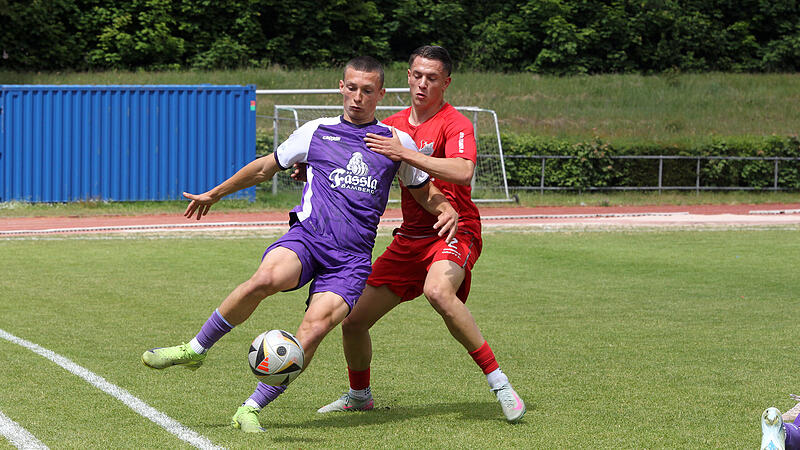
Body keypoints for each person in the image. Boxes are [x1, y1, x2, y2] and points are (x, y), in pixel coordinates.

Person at [140, 55, 459, 433]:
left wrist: (445, 209)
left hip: (351, 261)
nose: (358, 97)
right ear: (341, 87)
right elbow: (264, 167)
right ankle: (194, 349)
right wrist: (216, 193)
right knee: (265, 279)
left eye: (367, 90)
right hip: (308, 238)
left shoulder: (397, 142)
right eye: (352, 87)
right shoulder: (316, 131)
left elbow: (424, 190)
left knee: (313, 329)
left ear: (381, 93)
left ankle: (250, 408)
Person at [316, 45, 526, 422]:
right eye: (417, 75)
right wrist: (309, 171)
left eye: (432, 78)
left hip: (455, 229)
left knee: (437, 291)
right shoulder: (390, 124)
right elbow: (346, 157)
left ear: (446, 83)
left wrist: (407, 153)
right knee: (353, 320)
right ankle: (359, 396)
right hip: (409, 238)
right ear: (407, 76)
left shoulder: (454, 123)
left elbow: (463, 172)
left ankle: (500, 384)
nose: (423, 84)